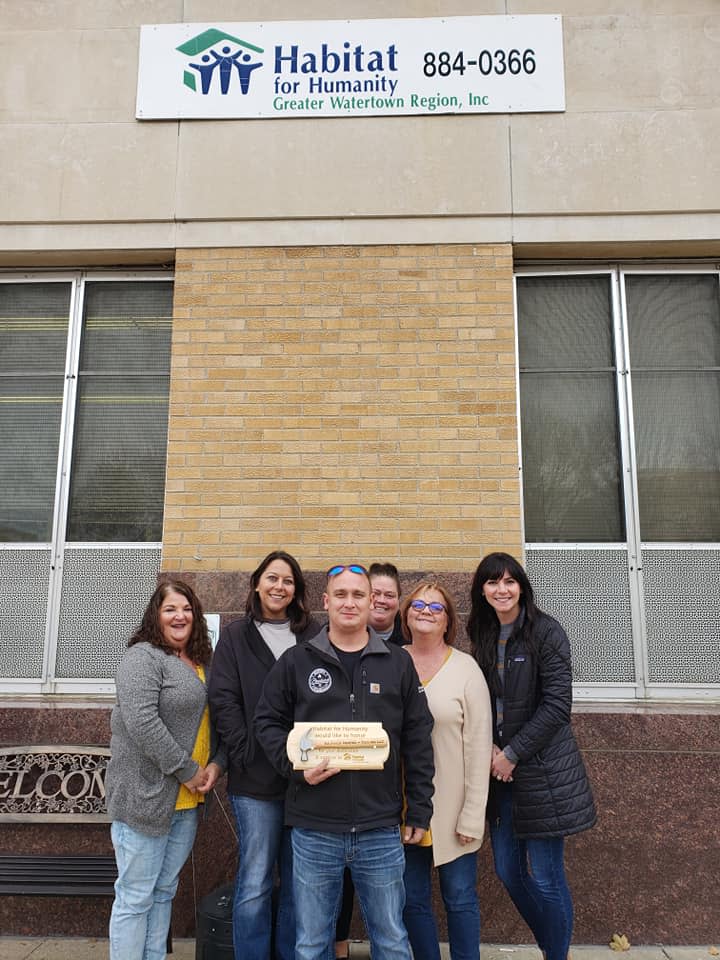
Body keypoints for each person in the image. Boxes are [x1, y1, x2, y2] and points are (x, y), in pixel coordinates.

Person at [255, 563, 435, 960]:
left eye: (358, 595)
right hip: (314, 828)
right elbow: (266, 723)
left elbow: (419, 739)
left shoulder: (397, 663)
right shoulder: (296, 661)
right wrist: (296, 767)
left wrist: (419, 809)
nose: (349, 603)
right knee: (311, 944)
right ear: (325, 602)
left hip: (380, 828)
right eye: (341, 594)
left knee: (391, 941)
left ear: (372, 601)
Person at [467, 552, 596, 960]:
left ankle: (556, 954)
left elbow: (558, 706)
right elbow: (482, 701)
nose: (501, 590)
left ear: (521, 586)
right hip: (500, 774)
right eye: (492, 582)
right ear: (481, 590)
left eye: (509, 581)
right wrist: (489, 746)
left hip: (543, 774)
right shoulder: (483, 633)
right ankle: (554, 946)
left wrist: (513, 753)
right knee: (508, 871)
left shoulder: (546, 631)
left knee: (544, 877)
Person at [208, 550, 320, 960]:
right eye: (272, 578)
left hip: (307, 781)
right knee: (254, 880)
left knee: (298, 882)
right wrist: (245, 751)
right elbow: (223, 700)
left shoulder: (313, 636)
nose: (279, 587)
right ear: (257, 583)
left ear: (297, 590)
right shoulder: (236, 637)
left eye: (288, 581)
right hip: (254, 782)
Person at [107, 580, 225, 960]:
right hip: (145, 798)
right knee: (135, 896)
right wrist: (187, 769)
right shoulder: (143, 657)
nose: (180, 616)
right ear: (155, 615)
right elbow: (142, 722)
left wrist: (214, 766)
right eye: (170, 608)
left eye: (187, 608)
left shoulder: (199, 661)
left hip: (186, 803)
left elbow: (212, 721)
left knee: (163, 893)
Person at [400, 579, 492, 960]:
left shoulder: (466, 669)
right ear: (406, 615)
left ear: (447, 621)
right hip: (401, 808)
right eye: (419, 605)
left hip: (452, 810)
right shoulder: (389, 661)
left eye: (436, 608)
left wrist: (473, 814)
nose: (426, 612)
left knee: (460, 899)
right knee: (411, 902)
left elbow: (479, 744)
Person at [333, 561, 404, 958]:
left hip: (388, 792)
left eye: (387, 594)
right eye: (370, 592)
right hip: (333, 792)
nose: (379, 600)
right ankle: (340, 945)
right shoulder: (321, 648)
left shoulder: (405, 651)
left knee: (391, 901)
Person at [368, 561, 405, 645]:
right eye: (375, 594)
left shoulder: (411, 637)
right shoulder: (343, 634)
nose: (381, 600)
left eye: (389, 595)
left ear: (398, 600)